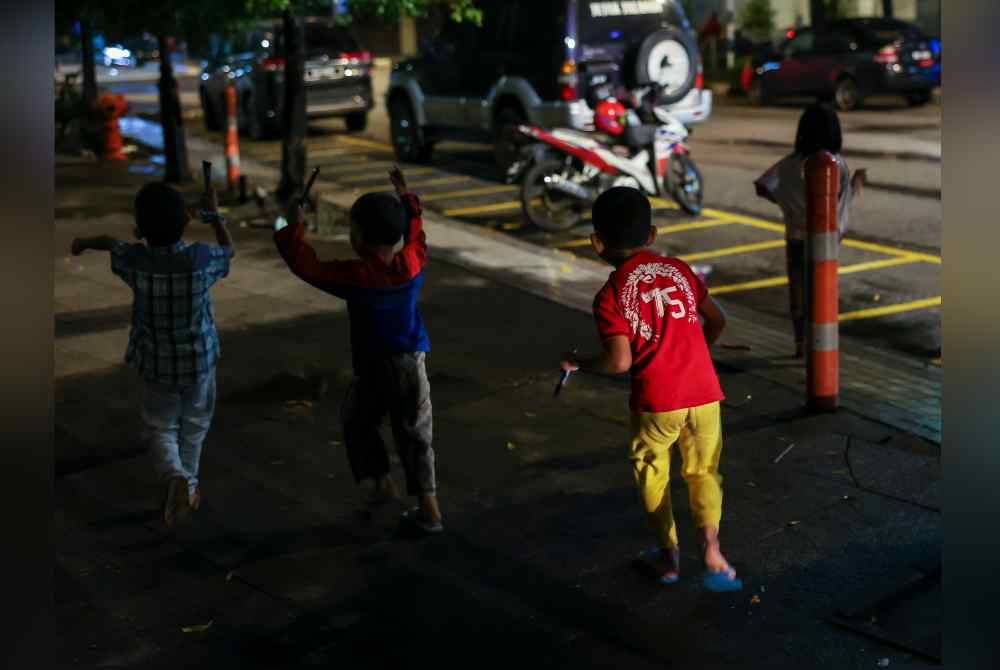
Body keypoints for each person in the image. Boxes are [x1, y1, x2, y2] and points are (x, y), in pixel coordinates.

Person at [559, 187, 741, 592]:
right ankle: (711, 548)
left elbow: (619, 362)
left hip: (658, 400)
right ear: (653, 234)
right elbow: (718, 319)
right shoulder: (680, 270)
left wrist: (580, 362)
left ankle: (669, 557)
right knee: (703, 471)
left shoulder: (610, 295)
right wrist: (697, 349)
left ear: (597, 242)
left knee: (653, 473)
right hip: (704, 392)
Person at [273, 167, 442, 534]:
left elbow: (307, 265)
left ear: (360, 237)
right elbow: (416, 231)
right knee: (414, 432)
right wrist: (406, 198)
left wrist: (294, 225)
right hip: (410, 361)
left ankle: (391, 487)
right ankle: (424, 503)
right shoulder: (413, 262)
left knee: (358, 420)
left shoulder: (357, 276)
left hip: (373, 365)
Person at [71, 181, 235, 529]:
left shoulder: (135, 261)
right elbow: (228, 250)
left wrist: (83, 242)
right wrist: (214, 216)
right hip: (199, 362)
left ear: (139, 228)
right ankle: (189, 485)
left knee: (161, 426)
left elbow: (110, 243)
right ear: (185, 221)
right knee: (194, 425)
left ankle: (174, 475)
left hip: (157, 363)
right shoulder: (200, 259)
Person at [754, 103, 867, 357]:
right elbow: (839, 202)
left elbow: (762, 185)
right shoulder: (835, 164)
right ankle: (821, 344)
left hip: (795, 236)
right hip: (825, 241)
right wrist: (856, 185)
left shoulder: (790, 163)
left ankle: (800, 343)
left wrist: (787, 204)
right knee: (822, 291)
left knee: (798, 290)